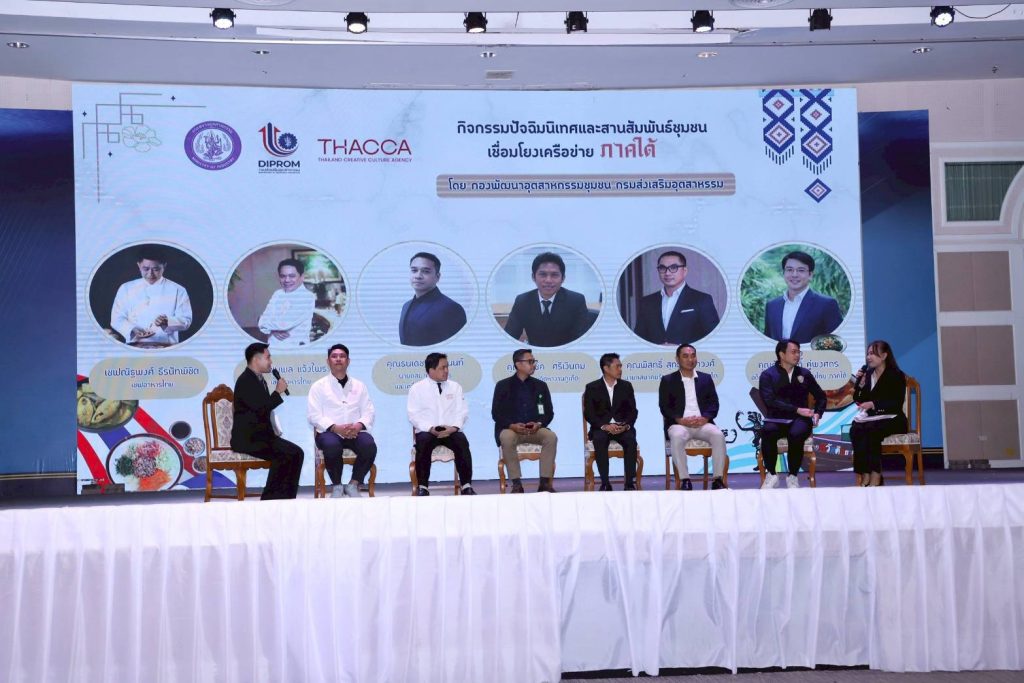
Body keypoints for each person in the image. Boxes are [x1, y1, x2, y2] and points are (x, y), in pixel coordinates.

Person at [230, 342, 304, 500]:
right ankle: (269, 500)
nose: (271, 361)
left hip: (262, 437)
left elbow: (262, 410)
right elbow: (261, 409)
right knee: (283, 454)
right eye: (268, 357)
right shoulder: (246, 381)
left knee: (297, 453)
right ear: (256, 360)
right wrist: (277, 392)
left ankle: (287, 498)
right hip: (248, 439)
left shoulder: (258, 379)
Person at [306, 344, 377, 498]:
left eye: (342, 356)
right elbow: (313, 415)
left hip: (355, 431)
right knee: (332, 446)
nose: (338, 359)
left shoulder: (359, 385)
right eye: (334, 356)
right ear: (328, 361)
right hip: (329, 432)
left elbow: (369, 411)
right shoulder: (318, 386)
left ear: (348, 361)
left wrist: (358, 426)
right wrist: (335, 428)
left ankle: (353, 484)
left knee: (369, 445)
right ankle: (337, 486)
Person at [757, 339, 826, 489]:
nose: (797, 355)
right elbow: (769, 401)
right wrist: (796, 409)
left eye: (799, 352)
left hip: (800, 419)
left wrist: (818, 413)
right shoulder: (768, 375)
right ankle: (771, 474)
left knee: (796, 433)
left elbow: (821, 396)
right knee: (767, 430)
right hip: (777, 418)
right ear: (782, 354)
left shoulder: (804, 374)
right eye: (793, 352)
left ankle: (793, 476)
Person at [659, 344, 728, 490]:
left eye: (693, 356)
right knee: (677, 436)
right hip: (679, 424)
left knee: (718, 435)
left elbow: (714, 404)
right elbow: (664, 407)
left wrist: (705, 418)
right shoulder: (668, 380)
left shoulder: (705, 378)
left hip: (702, 423)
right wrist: (680, 420)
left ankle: (717, 479)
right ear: (677, 359)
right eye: (685, 356)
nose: (690, 359)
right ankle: (685, 479)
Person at [407, 352, 475, 496]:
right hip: (428, 430)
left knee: (462, 441)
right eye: (442, 368)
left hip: (450, 430)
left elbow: (462, 411)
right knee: (423, 442)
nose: (446, 370)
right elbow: (413, 415)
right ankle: (423, 487)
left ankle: (466, 485)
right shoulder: (417, 388)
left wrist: (454, 428)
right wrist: (430, 428)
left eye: (447, 367)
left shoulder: (455, 387)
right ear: (431, 370)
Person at [491, 348, 557, 493]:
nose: (534, 364)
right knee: (506, 437)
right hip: (511, 429)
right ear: (518, 364)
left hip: (535, 430)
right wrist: (511, 425)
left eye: (534, 361)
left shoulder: (541, 386)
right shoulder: (503, 386)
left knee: (551, 437)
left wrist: (539, 424)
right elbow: (496, 413)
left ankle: (545, 483)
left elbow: (549, 412)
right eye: (530, 361)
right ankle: (516, 484)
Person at [502, 252, 594, 347]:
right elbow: (509, 337)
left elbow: (582, 340)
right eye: (543, 274)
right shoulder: (522, 301)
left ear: (563, 278)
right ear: (533, 277)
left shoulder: (576, 301)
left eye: (554, 275)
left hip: (566, 354)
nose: (548, 280)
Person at [850, 340, 908, 487]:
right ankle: (865, 473)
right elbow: (859, 399)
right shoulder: (868, 375)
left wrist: (874, 404)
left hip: (893, 418)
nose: (869, 357)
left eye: (873, 354)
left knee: (872, 430)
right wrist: (860, 386)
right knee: (856, 428)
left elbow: (896, 403)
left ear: (884, 356)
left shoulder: (896, 375)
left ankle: (876, 473)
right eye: (868, 354)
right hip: (873, 418)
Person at [110, 246, 192, 346]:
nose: (150, 274)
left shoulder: (178, 290)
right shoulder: (126, 288)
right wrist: (132, 329)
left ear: (164, 266)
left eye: (156, 269)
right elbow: (116, 319)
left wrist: (168, 322)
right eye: (146, 269)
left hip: (166, 346)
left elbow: (186, 321)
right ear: (139, 265)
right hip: (134, 345)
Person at [633, 251, 720, 345]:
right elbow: (639, 339)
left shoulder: (702, 300)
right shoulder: (647, 302)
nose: (667, 273)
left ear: (685, 271)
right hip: (656, 355)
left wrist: (680, 348)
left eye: (673, 267)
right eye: (662, 268)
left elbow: (714, 338)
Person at [583, 353, 639, 491]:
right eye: (617, 366)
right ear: (606, 368)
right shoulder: (592, 387)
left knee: (630, 440)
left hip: (622, 427)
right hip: (602, 428)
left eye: (621, 366)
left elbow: (633, 411)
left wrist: (626, 425)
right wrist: (604, 426)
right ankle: (605, 482)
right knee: (600, 439)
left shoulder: (626, 386)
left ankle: (629, 483)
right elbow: (589, 413)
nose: (620, 369)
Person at [763, 250, 843, 344]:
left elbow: (837, 342)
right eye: (789, 270)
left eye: (801, 270)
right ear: (783, 273)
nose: (794, 275)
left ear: (810, 275)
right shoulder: (772, 306)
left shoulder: (826, 304)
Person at [398, 252, 468, 346]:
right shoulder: (406, 306)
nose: (418, 276)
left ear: (437, 277)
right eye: (414, 270)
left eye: (426, 271)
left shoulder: (451, 308)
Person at [258, 258, 316, 348]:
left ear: (302, 277)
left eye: (292, 276)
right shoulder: (277, 294)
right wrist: (271, 329)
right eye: (282, 276)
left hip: (295, 349)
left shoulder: (307, 297)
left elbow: (283, 324)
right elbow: (264, 319)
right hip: (272, 347)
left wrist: (265, 324)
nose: (287, 280)